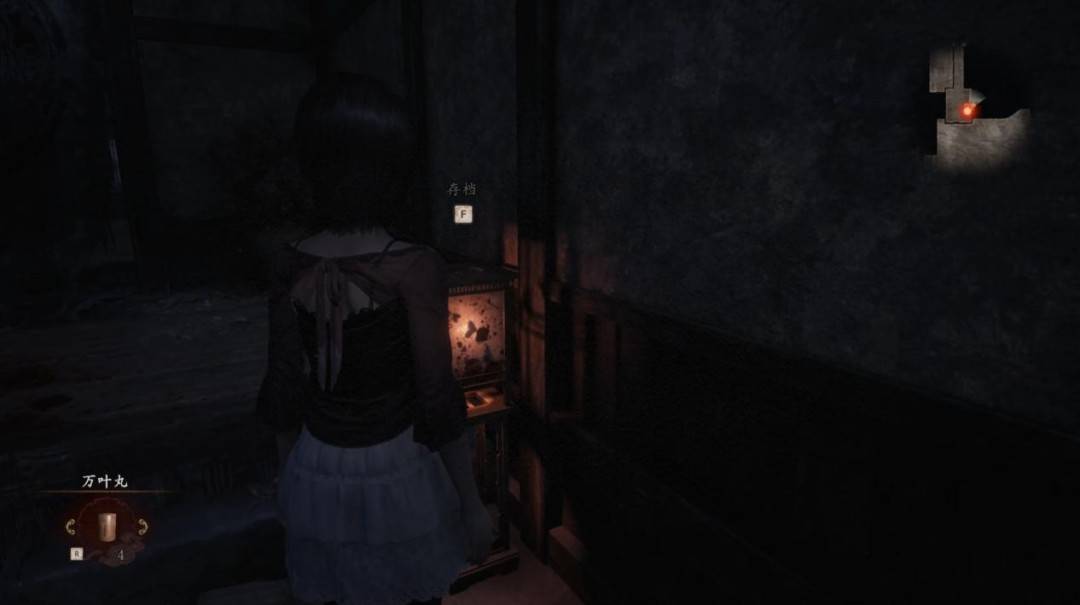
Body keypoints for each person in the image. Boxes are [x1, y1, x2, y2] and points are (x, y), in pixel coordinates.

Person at [256, 72, 493, 605]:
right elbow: (436, 394)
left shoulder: (289, 261)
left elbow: (284, 385)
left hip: (317, 465)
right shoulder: (413, 265)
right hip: (396, 467)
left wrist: (288, 480)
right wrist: (472, 503)